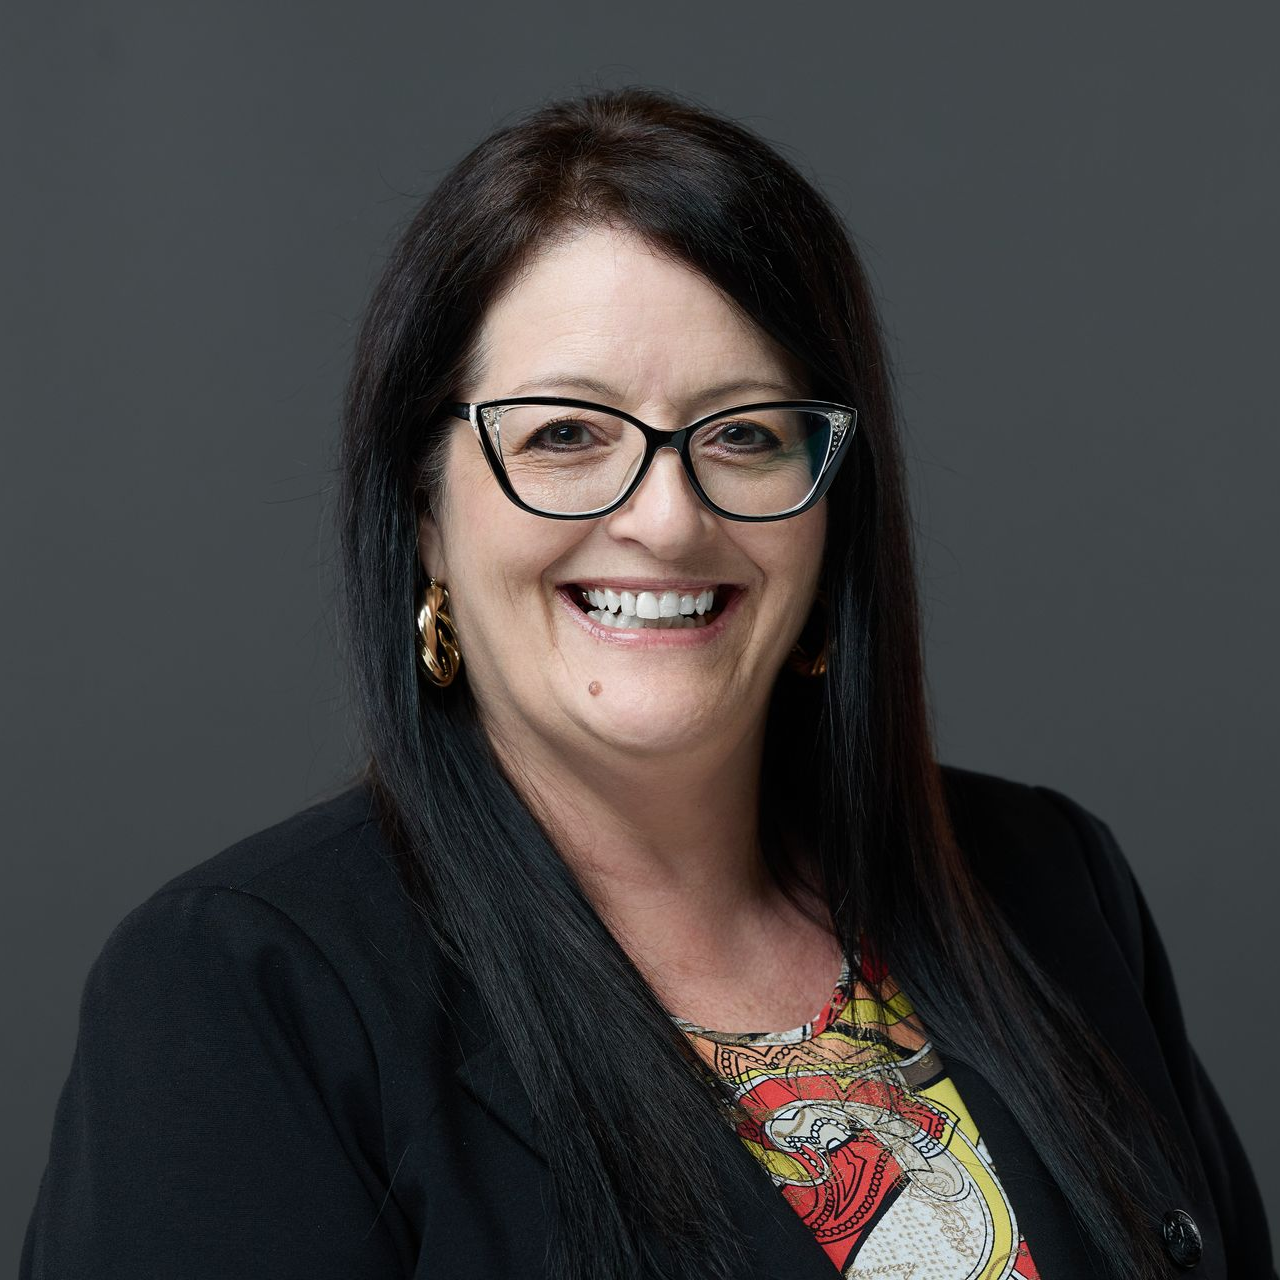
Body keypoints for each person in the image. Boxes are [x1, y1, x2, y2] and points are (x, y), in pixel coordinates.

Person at [20, 86, 1274, 1280]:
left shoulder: (1048, 879)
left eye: (743, 432)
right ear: (424, 513)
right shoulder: (240, 996)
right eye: (565, 433)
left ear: (831, 503)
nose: (666, 522)